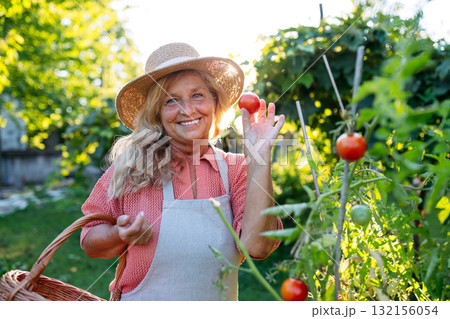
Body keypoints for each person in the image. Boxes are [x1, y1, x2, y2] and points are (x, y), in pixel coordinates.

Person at [80, 42, 286, 301]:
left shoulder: (236, 170)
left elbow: (258, 247)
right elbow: (90, 241)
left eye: (197, 95)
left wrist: (259, 159)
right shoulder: (131, 169)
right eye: (171, 100)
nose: (187, 109)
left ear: (214, 102)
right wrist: (118, 234)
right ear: (157, 112)